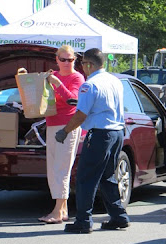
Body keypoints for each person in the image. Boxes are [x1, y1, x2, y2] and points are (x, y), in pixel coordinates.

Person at [55, 48, 129, 234]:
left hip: (99, 135)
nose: (82, 68)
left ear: (89, 64)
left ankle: (84, 221)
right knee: (107, 176)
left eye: (83, 64)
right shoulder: (115, 81)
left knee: (86, 178)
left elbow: (81, 115)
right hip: (117, 132)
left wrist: (64, 131)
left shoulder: (90, 85)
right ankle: (119, 216)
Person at [38, 45, 85, 224]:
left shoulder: (77, 77)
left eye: (70, 59)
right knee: (53, 168)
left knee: (61, 168)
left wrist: (57, 84)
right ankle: (62, 209)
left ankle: (58, 211)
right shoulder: (53, 75)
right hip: (52, 123)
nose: (66, 63)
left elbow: (72, 100)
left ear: (75, 60)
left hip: (68, 126)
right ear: (56, 59)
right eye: (63, 59)